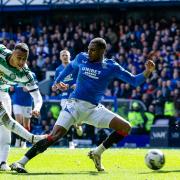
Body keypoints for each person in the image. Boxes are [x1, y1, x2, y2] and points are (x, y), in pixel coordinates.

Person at [10, 37, 155, 173]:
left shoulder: (111, 66)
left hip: (93, 109)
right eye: (89, 48)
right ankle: (21, 162)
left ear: (102, 51)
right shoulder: (81, 57)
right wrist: (57, 82)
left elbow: (135, 81)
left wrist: (147, 72)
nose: (89, 52)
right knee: (54, 136)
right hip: (74, 106)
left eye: (93, 50)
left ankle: (97, 153)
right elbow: (69, 68)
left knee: (125, 127)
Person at [0, 43, 46, 171]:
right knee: (6, 118)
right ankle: (32, 138)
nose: (21, 61)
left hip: (3, 93)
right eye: (18, 57)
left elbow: (38, 97)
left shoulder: (25, 74)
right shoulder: (1, 52)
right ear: (12, 53)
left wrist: (37, 107)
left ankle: (2, 163)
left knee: (5, 128)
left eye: (24, 59)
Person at [54, 50, 83, 139]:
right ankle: (71, 142)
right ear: (60, 57)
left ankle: (78, 124)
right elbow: (55, 84)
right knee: (68, 118)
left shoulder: (76, 67)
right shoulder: (58, 69)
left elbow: (82, 78)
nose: (65, 57)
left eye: (66, 55)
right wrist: (57, 87)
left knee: (75, 117)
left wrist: (77, 85)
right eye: (63, 55)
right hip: (65, 97)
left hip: (76, 95)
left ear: (70, 56)